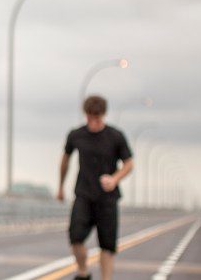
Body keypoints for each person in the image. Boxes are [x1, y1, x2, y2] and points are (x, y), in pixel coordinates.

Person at [57, 95, 134, 280]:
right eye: (90, 117)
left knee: (107, 247)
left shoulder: (115, 136)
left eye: (97, 118)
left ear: (104, 115)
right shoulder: (76, 135)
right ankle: (83, 272)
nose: (93, 122)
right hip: (83, 194)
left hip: (107, 198)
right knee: (75, 237)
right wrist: (60, 187)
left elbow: (129, 164)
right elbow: (65, 161)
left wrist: (115, 179)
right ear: (85, 115)